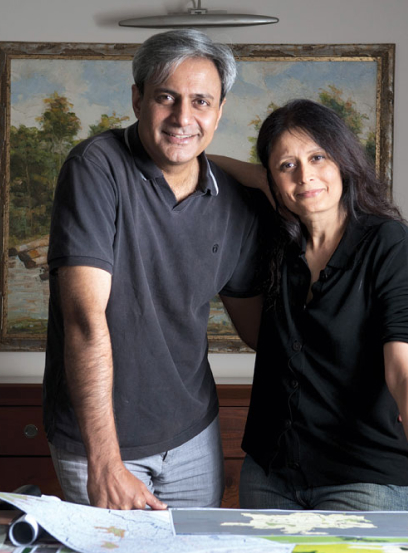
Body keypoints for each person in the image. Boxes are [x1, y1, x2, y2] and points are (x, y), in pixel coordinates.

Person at [42, 29, 263, 511]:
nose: (183, 117)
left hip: (193, 435)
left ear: (220, 110)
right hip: (101, 442)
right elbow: (84, 321)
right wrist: (106, 463)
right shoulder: (95, 168)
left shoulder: (234, 202)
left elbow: (258, 331)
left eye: (201, 101)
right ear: (138, 99)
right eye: (167, 97)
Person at [211, 98, 408, 513]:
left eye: (318, 157)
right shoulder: (277, 239)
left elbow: (405, 373)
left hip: (363, 480)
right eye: (287, 165)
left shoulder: (387, 242)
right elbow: (214, 167)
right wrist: (206, 157)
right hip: (268, 476)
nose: (305, 176)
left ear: (343, 160)